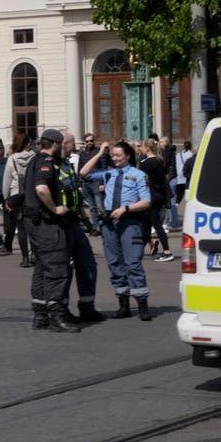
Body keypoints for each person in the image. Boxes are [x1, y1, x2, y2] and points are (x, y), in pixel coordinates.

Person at [80, 140, 154, 321]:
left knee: (133, 264)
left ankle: (142, 305)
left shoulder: (138, 175)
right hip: (110, 224)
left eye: (119, 155)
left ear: (127, 155)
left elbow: (146, 201)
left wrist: (126, 209)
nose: (115, 158)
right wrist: (100, 153)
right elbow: (83, 173)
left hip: (130, 223)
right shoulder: (108, 173)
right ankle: (123, 305)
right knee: (115, 264)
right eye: (113, 155)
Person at [19, 129, 80, 333]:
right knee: (56, 267)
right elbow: (41, 188)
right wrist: (55, 209)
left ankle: (40, 315)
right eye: (60, 144)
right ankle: (56, 316)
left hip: (33, 221)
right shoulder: (46, 161)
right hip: (46, 223)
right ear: (54, 144)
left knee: (41, 267)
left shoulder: (34, 160)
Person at [58, 132, 105, 323]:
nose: (74, 148)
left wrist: (87, 223)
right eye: (72, 144)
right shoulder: (53, 165)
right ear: (64, 144)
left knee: (87, 264)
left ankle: (87, 307)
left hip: (75, 222)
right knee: (64, 268)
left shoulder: (67, 164)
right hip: (60, 223)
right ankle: (61, 309)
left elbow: (80, 180)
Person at [1, 133, 36, 268]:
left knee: (21, 227)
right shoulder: (34, 157)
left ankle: (25, 258)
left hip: (16, 194)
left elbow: (6, 180)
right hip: (31, 194)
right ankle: (34, 254)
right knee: (33, 225)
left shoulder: (12, 159)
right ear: (28, 143)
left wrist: (6, 198)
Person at [138, 137, 174, 261]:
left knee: (156, 224)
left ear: (147, 148)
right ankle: (137, 252)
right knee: (147, 224)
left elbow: (140, 180)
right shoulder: (160, 160)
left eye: (142, 146)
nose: (141, 149)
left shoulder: (145, 163)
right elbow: (164, 178)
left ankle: (167, 251)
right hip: (160, 194)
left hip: (150, 195)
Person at [75, 132, 105, 235]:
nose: (89, 143)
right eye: (87, 141)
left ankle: (105, 227)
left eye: (91, 141)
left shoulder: (98, 152)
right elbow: (80, 169)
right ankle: (96, 228)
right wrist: (79, 184)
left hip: (97, 183)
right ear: (84, 142)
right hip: (86, 183)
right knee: (92, 208)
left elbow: (103, 168)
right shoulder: (82, 154)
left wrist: (102, 183)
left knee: (100, 207)